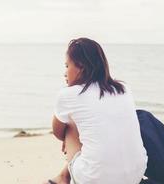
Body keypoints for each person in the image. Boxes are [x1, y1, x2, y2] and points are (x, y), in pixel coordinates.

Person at [44, 38, 148, 184]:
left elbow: (58, 131)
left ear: (81, 67)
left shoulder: (69, 95)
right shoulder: (123, 88)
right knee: (94, 127)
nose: (64, 73)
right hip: (135, 174)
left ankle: (64, 177)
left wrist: (72, 137)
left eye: (67, 66)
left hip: (96, 179)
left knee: (70, 125)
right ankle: (64, 175)